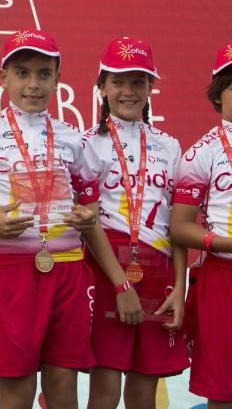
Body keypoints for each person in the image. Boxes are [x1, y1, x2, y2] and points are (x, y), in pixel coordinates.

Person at [0, 29, 140, 409]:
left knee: (63, 393)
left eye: (43, 74)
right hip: (11, 273)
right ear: (3, 77)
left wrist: (119, 282)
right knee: (16, 395)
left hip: (69, 274)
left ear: (57, 77)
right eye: (22, 73)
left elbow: (91, 217)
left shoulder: (73, 138)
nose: (33, 85)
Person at [72, 38, 187, 409]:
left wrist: (180, 286)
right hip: (106, 271)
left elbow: (178, 224)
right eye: (118, 81)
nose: (128, 91)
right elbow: (87, 222)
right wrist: (120, 284)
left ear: (150, 88)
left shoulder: (170, 146)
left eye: (138, 81)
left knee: (144, 395)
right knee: (104, 393)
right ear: (102, 86)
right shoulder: (85, 144)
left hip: (158, 271)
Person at [170, 43, 232, 408]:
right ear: (218, 95)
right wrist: (222, 243)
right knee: (223, 391)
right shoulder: (201, 152)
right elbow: (180, 226)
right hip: (222, 280)